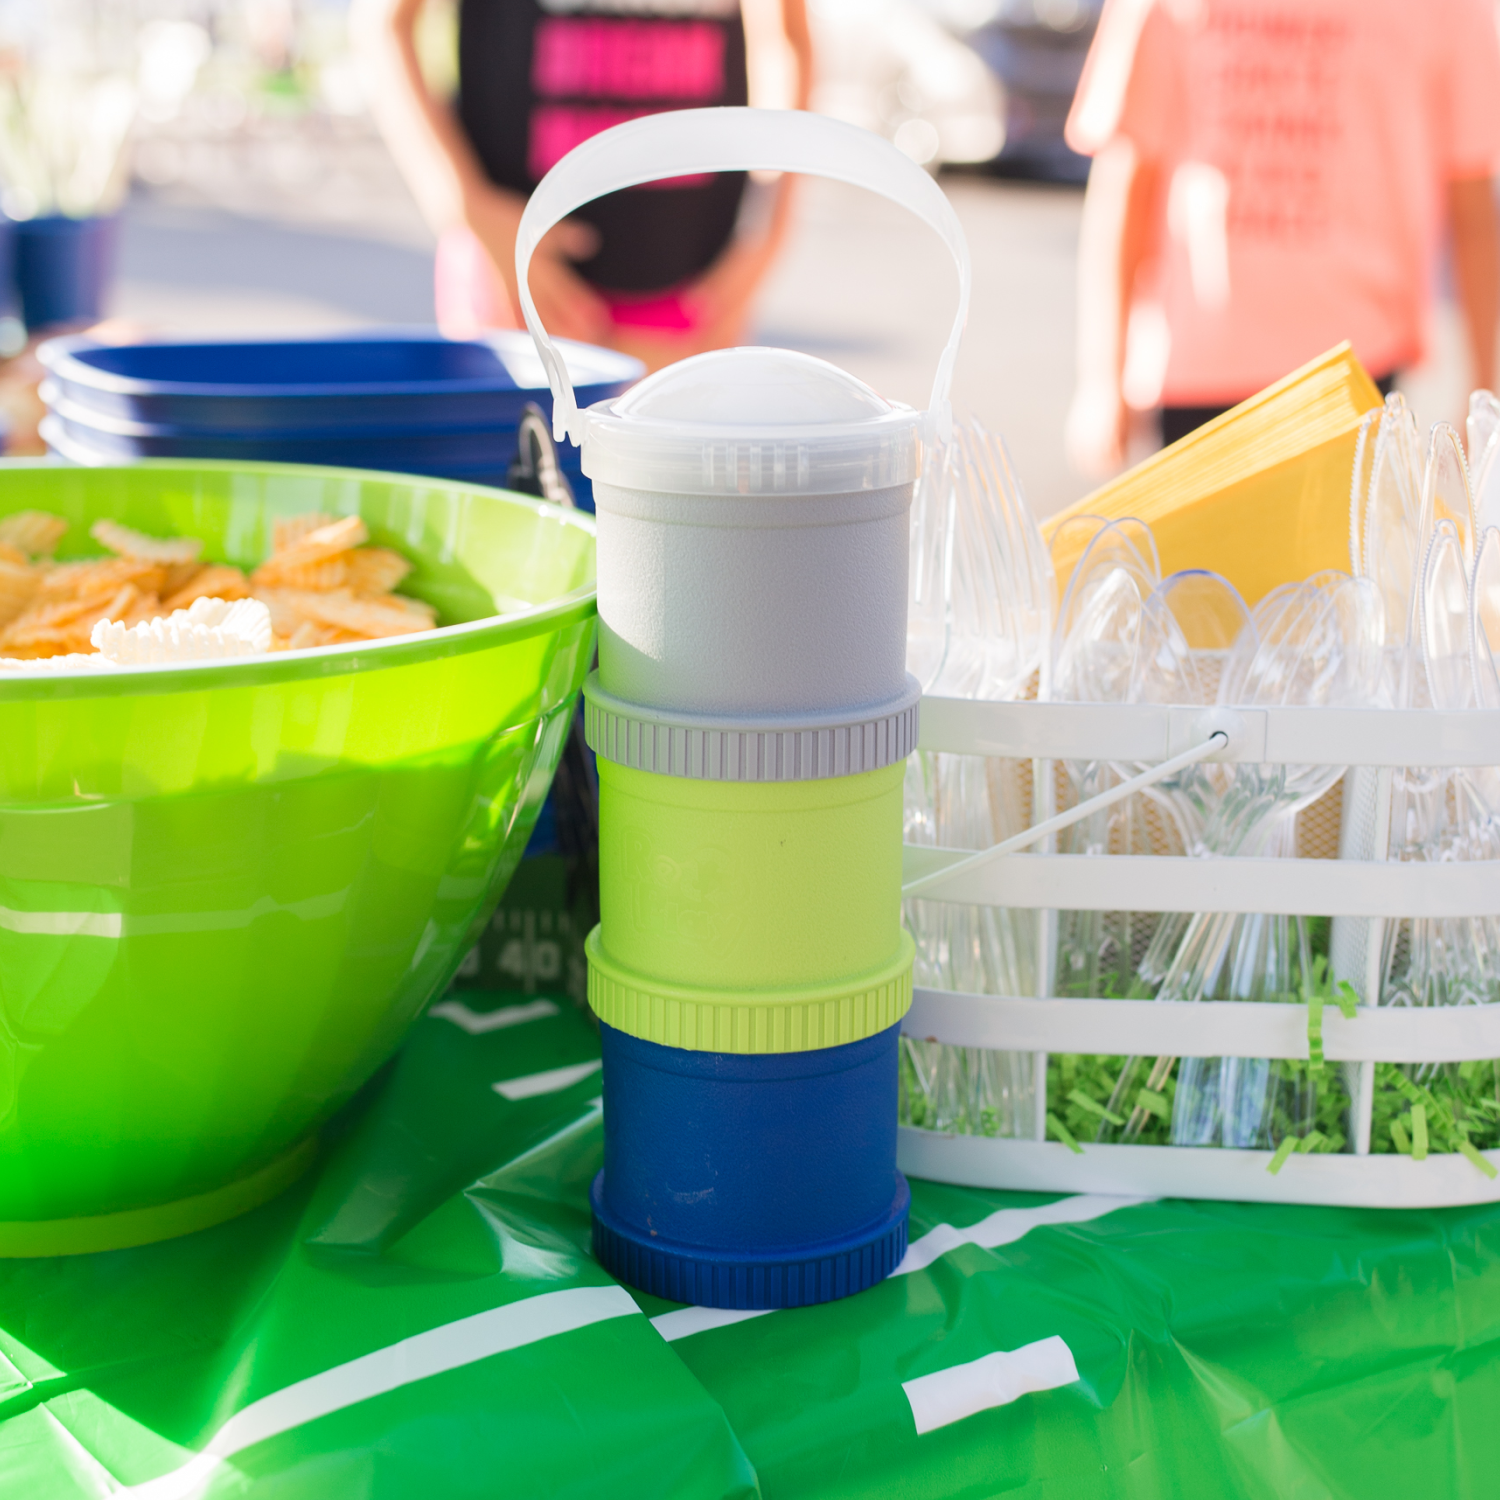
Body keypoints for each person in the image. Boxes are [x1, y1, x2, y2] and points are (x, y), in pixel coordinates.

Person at [1063, 0, 1500, 474]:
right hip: (1198, 369)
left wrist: (1483, 395)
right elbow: (1127, 180)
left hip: (1357, 371)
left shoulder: (1451, 10)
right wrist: (1103, 379)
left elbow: (1473, 206)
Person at [352, 0, 812, 370]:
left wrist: (765, 232)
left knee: (668, 482)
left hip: (693, 280)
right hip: (516, 268)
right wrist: (464, 204)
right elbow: (385, 25)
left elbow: (782, 42)